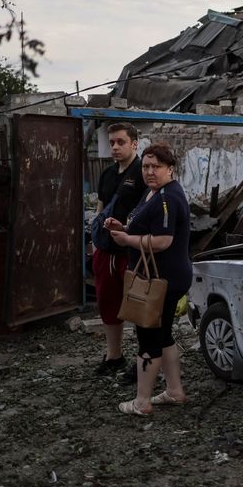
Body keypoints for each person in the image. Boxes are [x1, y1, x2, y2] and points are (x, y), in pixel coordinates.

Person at [106, 142, 192, 415]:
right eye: (145, 166)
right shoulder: (155, 193)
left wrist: (127, 239)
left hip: (162, 280)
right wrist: (125, 227)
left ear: (170, 169)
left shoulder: (168, 198)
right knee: (164, 335)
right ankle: (175, 391)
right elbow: (149, 226)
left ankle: (141, 402)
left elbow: (164, 240)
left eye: (157, 167)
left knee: (148, 337)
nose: (150, 172)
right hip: (163, 277)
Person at [92, 122, 145, 380]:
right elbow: (101, 206)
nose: (115, 147)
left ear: (134, 143)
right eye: (112, 142)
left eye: (120, 142)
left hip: (131, 251)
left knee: (138, 308)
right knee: (107, 303)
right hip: (105, 249)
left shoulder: (143, 171)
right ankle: (114, 356)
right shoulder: (107, 174)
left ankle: (142, 362)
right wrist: (95, 242)